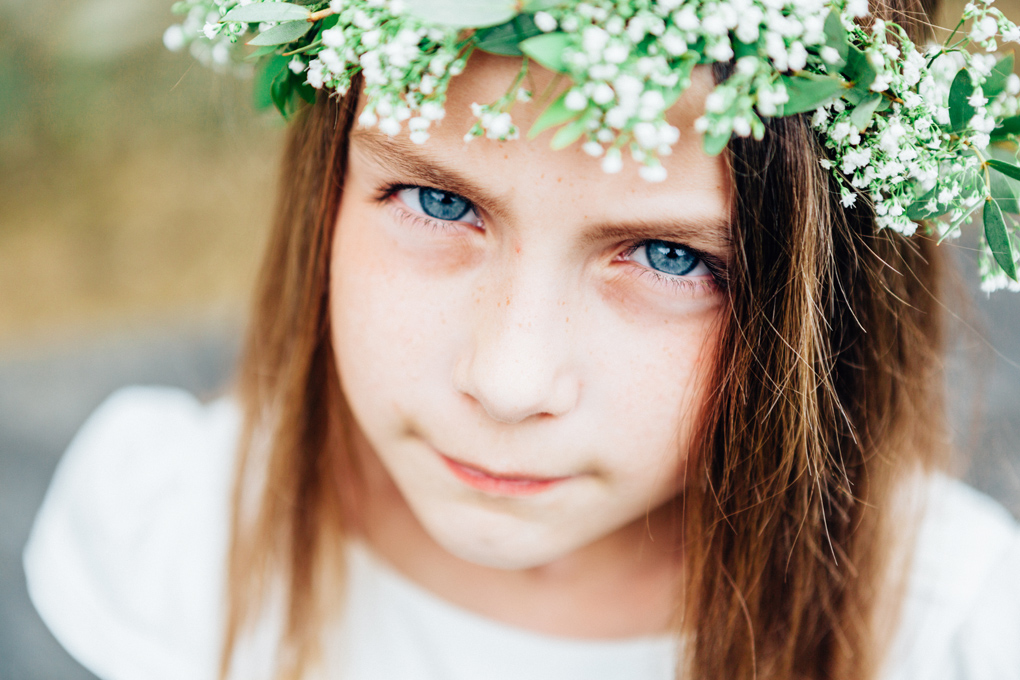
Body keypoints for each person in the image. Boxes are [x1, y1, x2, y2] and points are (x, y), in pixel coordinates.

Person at [23, 0, 1020, 678]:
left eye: (672, 258)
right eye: (435, 199)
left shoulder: (950, 632)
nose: (507, 381)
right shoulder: (177, 535)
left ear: (823, 293)